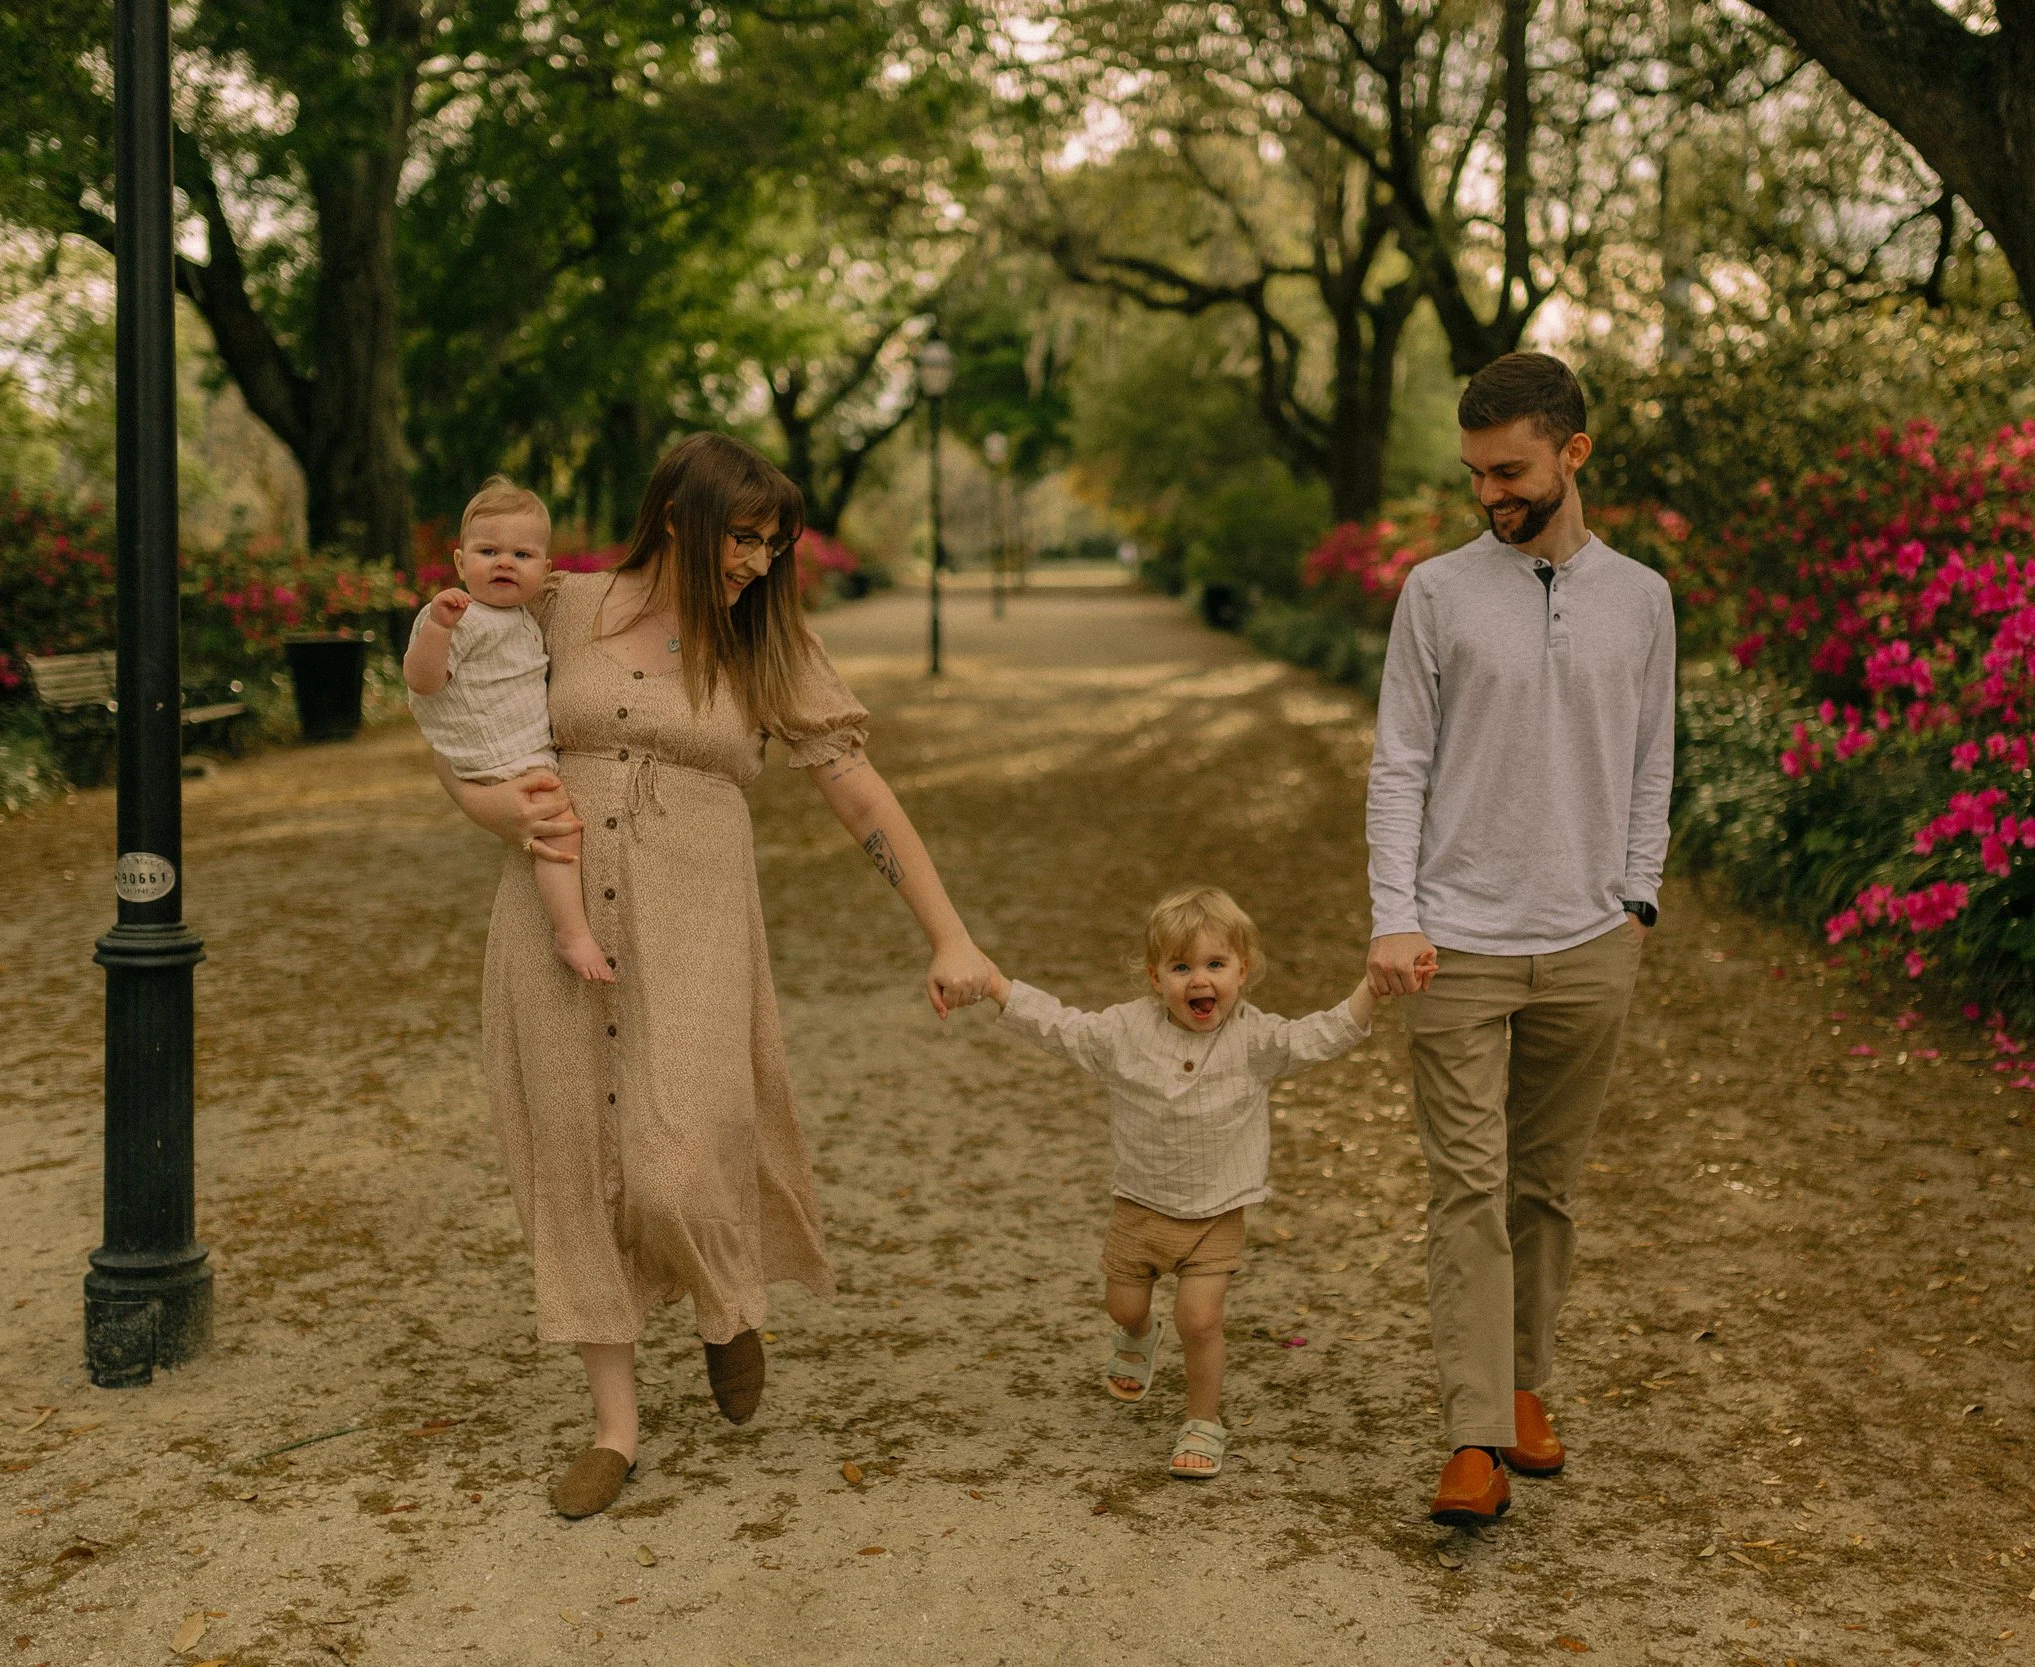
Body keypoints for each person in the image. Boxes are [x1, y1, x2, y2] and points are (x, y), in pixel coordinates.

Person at [437, 432, 996, 1519]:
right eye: (743, 538)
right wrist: (498, 810)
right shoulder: (558, 608)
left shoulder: (762, 644)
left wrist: (949, 933)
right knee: (573, 1159)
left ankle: (724, 1302)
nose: (757, 562)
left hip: (694, 922)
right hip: (548, 916)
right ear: (683, 519)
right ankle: (614, 1426)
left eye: (772, 545)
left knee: (677, 1153)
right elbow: (467, 742)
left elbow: (860, 793)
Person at [1363, 351, 1675, 1528]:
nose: (1489, 491)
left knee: (1544, 1188)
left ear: (1571, 454)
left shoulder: (1641, 598)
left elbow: (1653, 758)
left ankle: (1527, 1382)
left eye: (1510, 469)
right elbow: (1399, 761)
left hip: (1592, 938)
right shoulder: (1436, 592)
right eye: (1475, 471)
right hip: (1456, 942)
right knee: (1467, 1186)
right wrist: (1395, 912)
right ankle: (1471, 1433)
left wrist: (1636, 897)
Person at [982, 886, 1378, 1479]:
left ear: (1243, 970)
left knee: (1201, 1320)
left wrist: (1373, 986)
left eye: (1216, 964)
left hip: (1215, 1214)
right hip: (1139, 1207)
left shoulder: (1255, 1039)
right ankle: (1140, 1334)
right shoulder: (1122, 1032)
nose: (1200, 979)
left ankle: (1202, 1420)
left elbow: (1318, 1034)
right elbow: (1060, 1026)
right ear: (1154, 976)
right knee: (1121, 1307)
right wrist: (996, 987)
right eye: (1182, 966)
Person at [404, 476, 614, 983]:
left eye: (521, 555)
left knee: (553, 821)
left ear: (545, 570)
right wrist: (438, 629)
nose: (504, 562)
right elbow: (423, 681)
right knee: (558, 826)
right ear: (460, 563)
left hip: (518, 743)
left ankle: (570, 927)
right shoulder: (459, 616)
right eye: (488, 550)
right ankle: (571, 931)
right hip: (494, 751)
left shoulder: (523, 617)